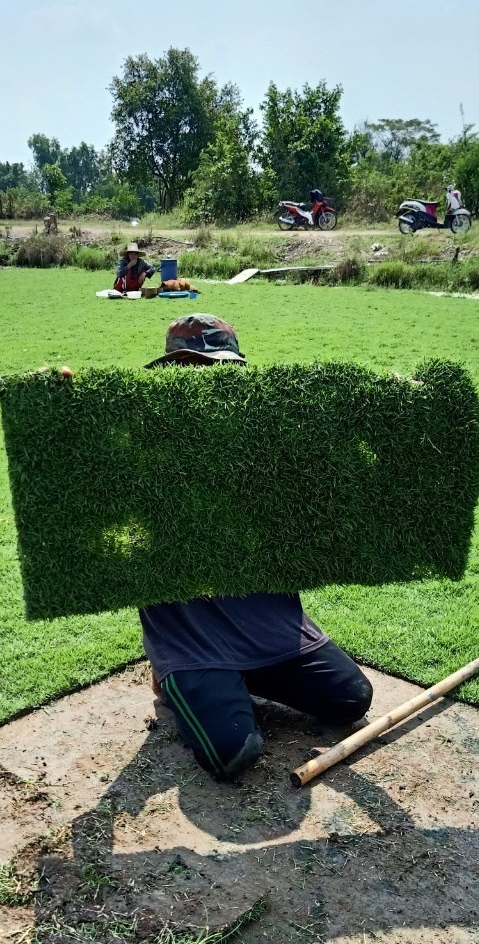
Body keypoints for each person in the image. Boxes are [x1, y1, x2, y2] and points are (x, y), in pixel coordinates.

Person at [139, 313, 373, 780]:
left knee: (350, 700)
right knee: (233, 753)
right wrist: (54, 408)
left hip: (270, 630)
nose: (204, 381)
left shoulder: (268, 447)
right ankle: (175, 678)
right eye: (188, 368)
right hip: (193, 642)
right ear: (169, 374)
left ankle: (244, 676)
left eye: (217, 369)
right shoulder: (139, 448)